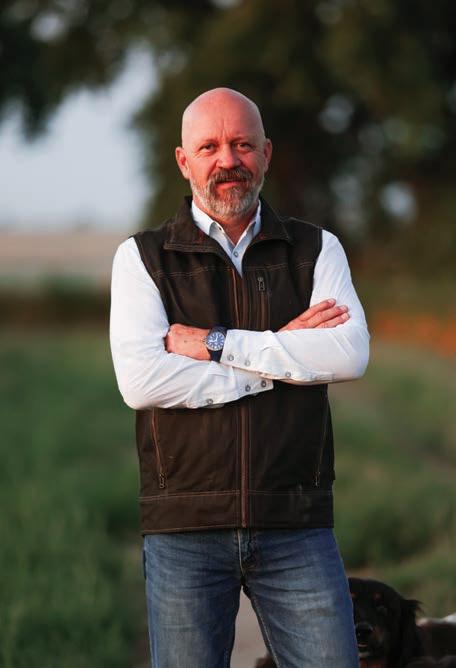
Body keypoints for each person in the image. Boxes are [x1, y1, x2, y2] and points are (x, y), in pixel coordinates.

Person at [110, 87, 369, 667]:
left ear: (266, 153)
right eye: (210, 147)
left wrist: (215, 344)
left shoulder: (316, 249)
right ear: (184, 161)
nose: (228, 160)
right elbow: (143, 381)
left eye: (242, 145)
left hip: (296, 521)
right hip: (184, 526)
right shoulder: (143, 258)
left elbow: (348, 355)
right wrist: (279, 361)